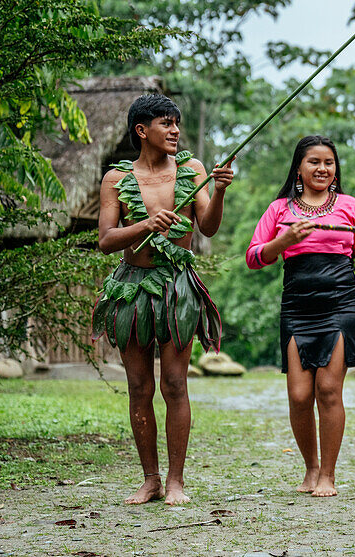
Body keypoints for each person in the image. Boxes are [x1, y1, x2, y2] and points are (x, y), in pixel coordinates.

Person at [92, 94, 233, 506]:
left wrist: (219, 192)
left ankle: (176, 481)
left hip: (177, 287)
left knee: (174, 383)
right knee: (139, 385)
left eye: (176, 123)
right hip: (132, 288)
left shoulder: (192, 169)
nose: (174, 130)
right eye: (165, 123)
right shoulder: (115, 180)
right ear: (142, 131)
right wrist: (145, 224)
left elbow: (206, 227)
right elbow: (105, 240)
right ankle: (150, 478)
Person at [246, 135, 355, 497]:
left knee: (328, 391)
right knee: (300, 396)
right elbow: (254, 258)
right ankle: (311, 468)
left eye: (329, 162)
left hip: (340, 304)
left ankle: (328, 475)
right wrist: (283, 242)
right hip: (297, 306)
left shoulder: (348, 206)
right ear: (299, 168)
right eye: (314, 162)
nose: (322, 168)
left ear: (336, 169)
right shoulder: (279, 209)